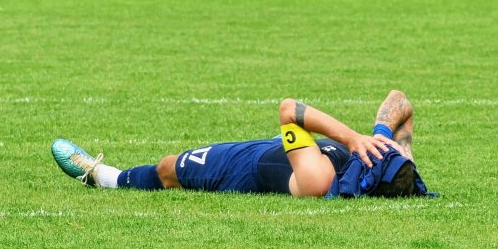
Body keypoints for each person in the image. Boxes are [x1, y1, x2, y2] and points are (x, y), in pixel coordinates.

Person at [52, 90, 431, 199]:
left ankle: (101, 176)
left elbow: (288, 109)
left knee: (170, 168)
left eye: (382, 153)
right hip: (277, 149)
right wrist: (383, 132)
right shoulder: (387, 163)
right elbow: (401, 103)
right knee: (171, 164)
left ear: (369, 173)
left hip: (243, 168)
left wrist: (351, 137)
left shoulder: (319, 180)